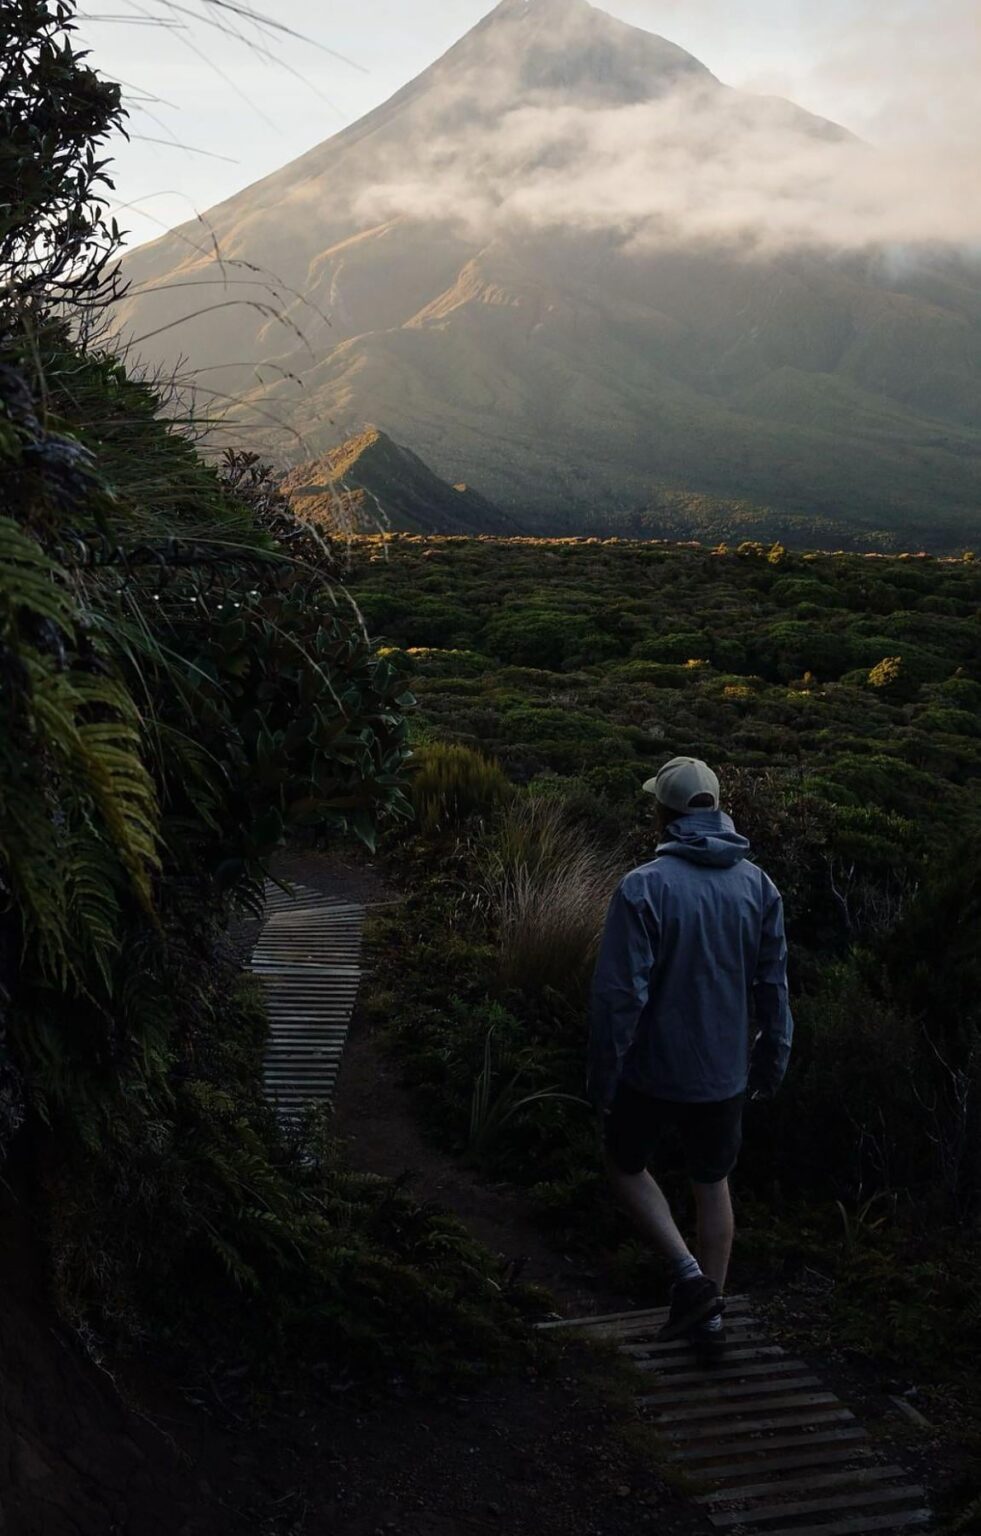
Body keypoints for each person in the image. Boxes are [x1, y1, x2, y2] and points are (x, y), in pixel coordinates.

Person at [587, 756, 793, 1359]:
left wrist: (603, 1079)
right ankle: (710, 1324)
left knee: (624, 1164)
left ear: (663, 812)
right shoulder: (759, 885)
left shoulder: (644, 886)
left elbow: (618, 1000)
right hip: (725, 1072)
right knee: (713, 1182)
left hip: (652, 1070)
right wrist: (772, 1062)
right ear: (717, 807)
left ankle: (689, 1278)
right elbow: (773, 990)